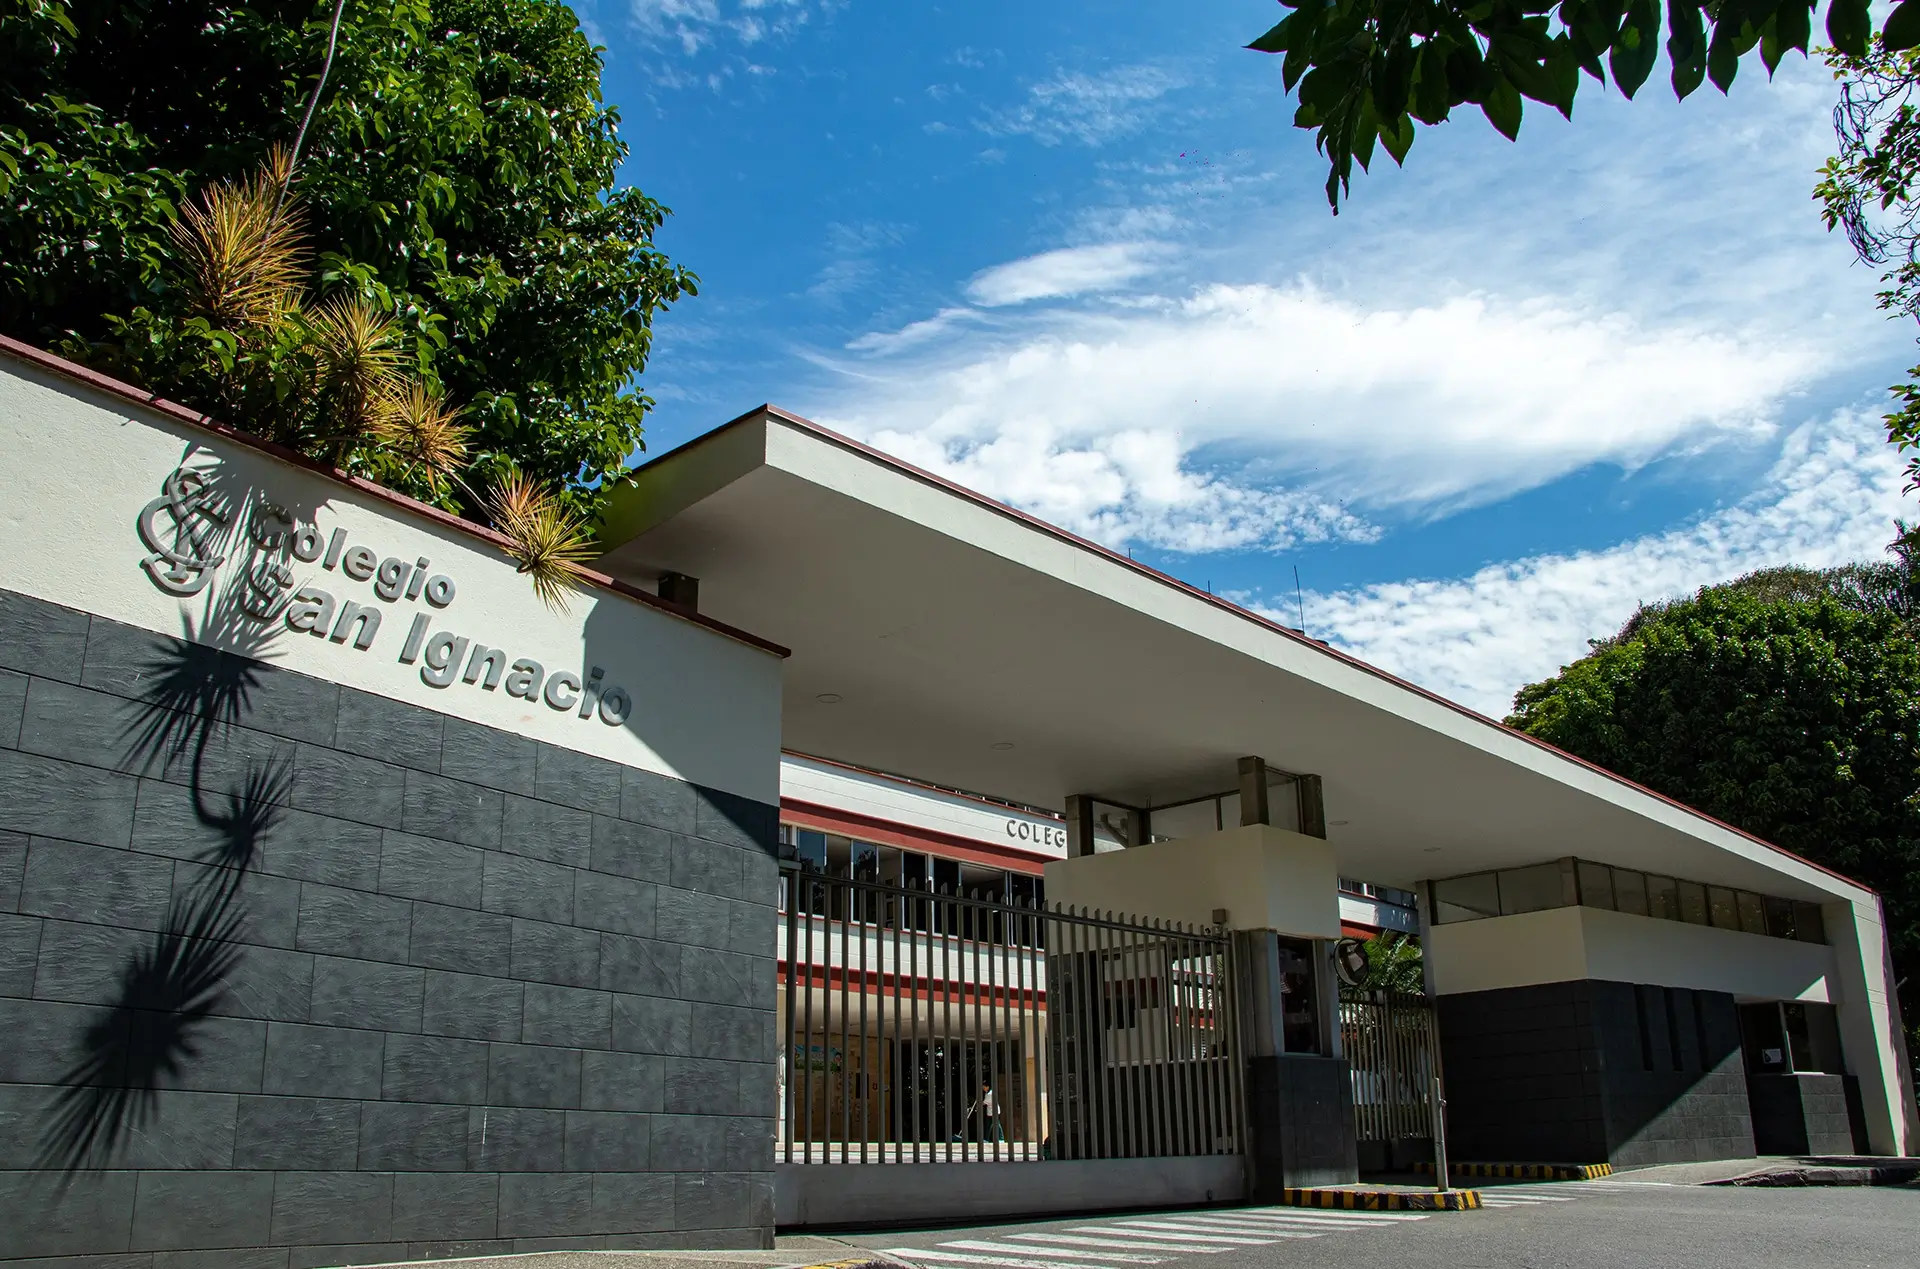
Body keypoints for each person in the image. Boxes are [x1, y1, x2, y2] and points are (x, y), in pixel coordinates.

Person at [969, 1078, 1004, 1143]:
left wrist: (977, 1106)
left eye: (984, 1087)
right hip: (991, 1112)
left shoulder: (989, 1094)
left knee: (995, 1125)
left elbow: (984, 1103)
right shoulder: (988, 1093)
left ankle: (998, 1139)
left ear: (987, 1087)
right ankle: (988, 1139)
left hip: (994, 1112)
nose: (983, 1088)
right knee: (992, 1125)